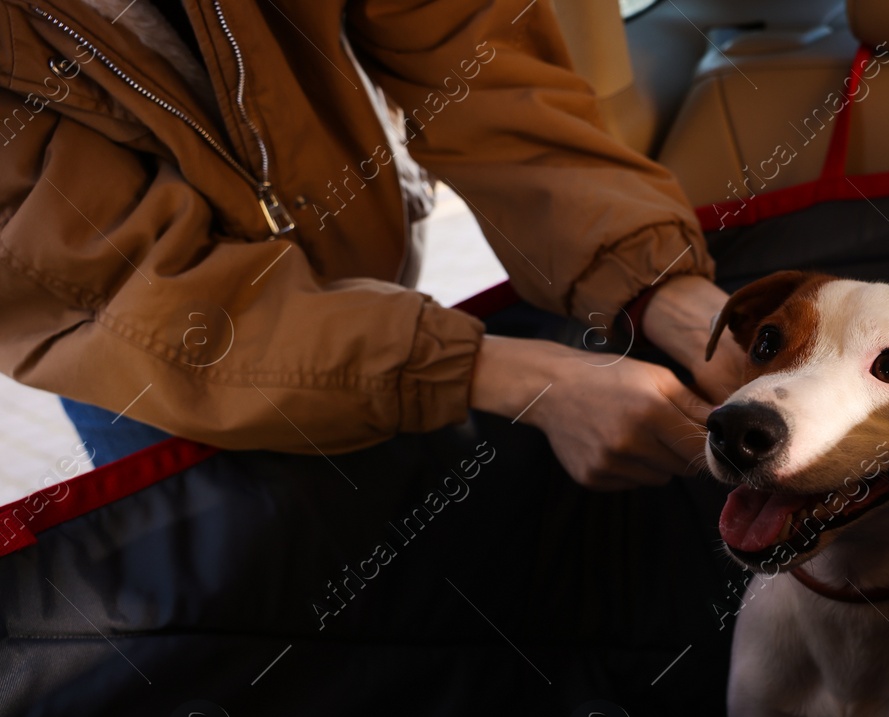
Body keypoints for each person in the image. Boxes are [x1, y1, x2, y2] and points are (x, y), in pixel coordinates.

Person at [0, 0, 745, 487]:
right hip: (144, 366)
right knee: (233, 633)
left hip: (376, 298)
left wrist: (655, 283)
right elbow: (116, 293)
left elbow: (477, 65)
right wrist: (520, 378)